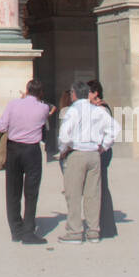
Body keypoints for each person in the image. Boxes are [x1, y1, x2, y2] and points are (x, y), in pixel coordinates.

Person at [58, 79, 119, 243]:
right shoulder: (98, 110)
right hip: (94, 154)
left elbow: (64, 135)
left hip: (77, 152)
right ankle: (93, 231)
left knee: (74, 194)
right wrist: (104, 146)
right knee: (93, 194)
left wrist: (64, 149)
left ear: (74, 94)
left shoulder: (73, 110)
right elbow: (115, 129)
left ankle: (75, 232)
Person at [0, 80, 54, 244]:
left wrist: (22, 101)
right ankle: (29, 231)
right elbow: (47, 112)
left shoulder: (13, 104)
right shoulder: (43, 108)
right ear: (41, 93)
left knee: (13, 191)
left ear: (27, 90)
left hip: (14, 148)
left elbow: (2, 127)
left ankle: (16, 230)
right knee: (31, 192)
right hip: (32, 150)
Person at [88, 79, 118, 238]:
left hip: (101, 151)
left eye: (88, 92)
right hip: (101, 150)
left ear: (95, 93)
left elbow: (109, 131)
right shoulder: (98, 108)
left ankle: (106, 227)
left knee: (101, 188)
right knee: (99, 188)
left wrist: (102, 147)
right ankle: (104, 225)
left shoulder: (102, 109)